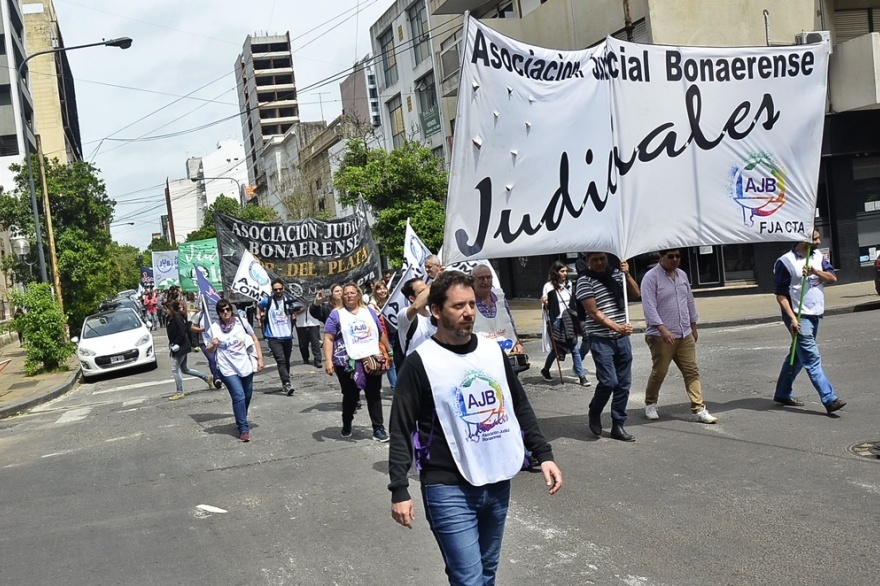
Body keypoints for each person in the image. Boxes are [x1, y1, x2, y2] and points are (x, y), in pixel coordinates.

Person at [388, 270, 563, 585]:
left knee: (487, 572)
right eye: (458, 306)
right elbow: (400, 428)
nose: (468, 312)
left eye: (471, 304)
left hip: (496, 480)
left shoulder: (491, 351)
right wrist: (399, 488)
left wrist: (544, 453)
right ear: (437, 311)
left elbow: (519, 405)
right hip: (447, 487)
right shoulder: (420, 363)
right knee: (469, 578)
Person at [773, 230, 846, 415]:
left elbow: (832, 278)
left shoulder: (817, 256)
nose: (819, 241)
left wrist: (815, 271)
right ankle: (830, 399)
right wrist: (791, 319)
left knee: (797, 357)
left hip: (815, 314)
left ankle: (782, 393)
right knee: (812, 358)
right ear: (803, 240)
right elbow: (781, 295)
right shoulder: (785, 262)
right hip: (798, 315)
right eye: (815, 239)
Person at [641, 248, 717, 424]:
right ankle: (650, 403)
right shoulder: (651, 278)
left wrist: (693, 325)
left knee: (691, 371)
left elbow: (689, 301)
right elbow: (649, 306)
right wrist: (662, 329)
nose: (675, 260)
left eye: (677, 256)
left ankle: (699, 408)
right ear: (661, 257)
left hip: (685, 333)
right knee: (660, 371)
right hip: (661, 336)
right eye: (670, 257)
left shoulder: (682, 275)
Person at [577, 252, 641, 442]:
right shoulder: (584, 281)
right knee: (609, 382)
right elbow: (593, 312)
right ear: (587, 261)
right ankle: (594, 410)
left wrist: (627, 274)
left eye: (602, 258)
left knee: (623, 384)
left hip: (622, 339)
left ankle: (618, 424)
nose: (599, 262)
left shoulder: (616, 274)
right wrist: (618, 327)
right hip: (601, 338)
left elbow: (636, 293)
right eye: (594, 259)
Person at [323, 283, 393, 441]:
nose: (349, 296)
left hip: (371, 358)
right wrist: (328, 360)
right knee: (350, 396)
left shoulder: (369, 312)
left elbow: (380, 333)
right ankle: (347, 423)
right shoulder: (336, 315)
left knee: (374, 394)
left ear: (358, 295)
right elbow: (328, 338)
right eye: (346, 293)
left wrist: (389, 351)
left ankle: (378, 429)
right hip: (347, 362)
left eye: (352, 293)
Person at [207, 298, 264, 442]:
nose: (225, 312)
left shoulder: (242, 322)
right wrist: (213, 345)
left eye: (227, 309)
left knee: (247, 394)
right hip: (227, 368)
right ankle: (243, 428)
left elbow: (254, 339)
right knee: (238, 395)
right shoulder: (214, 327)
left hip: (245, 365)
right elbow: (209, 349)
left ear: (231, 310)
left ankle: (241, 416)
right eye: (222, 310)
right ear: (219, 313)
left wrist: (260, 358)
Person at [541, 261, 589, 386]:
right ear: (555, 272)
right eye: (562, 271)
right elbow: (545, 305)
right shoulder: (549, 286)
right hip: (556, 321)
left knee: (574, 347)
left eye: (566, 271)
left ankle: (581, 376)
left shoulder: (569, 285)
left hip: (569, 320)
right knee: (557, 349)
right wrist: (545, 302)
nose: (565, 273)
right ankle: (545, 369)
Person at [472, 263, 525, 354]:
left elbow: (510, 322)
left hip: (506, 352)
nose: (486, 281)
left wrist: (517, 343)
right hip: (481, 354)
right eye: (481, 278)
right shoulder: (469, 300)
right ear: (473, 280)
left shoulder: (499, 297)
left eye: (488, 277)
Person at [165, 300, 212, 401]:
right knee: (185, 369)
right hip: (180, 345)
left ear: (171, 309)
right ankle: (206, 378)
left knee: (175, 369)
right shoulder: (171, 318)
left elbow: (182, 332)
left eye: (167, 309)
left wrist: (176, 343)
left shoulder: (177, 318)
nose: (166, 311)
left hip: (181, 346)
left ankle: (179, 391)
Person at [258, 278, 296, 396]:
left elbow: (299, 307)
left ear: (283, 289)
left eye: (280, 289)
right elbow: (259, 306)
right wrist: (259, 317)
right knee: (281, 360)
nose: (278, 291)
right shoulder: (267, 301)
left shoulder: (288, 300)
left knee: (286, 360)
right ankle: (286, 382)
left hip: (287, 336)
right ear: (272, 290)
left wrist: (294, 314)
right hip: (273, 337)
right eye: (276, 289)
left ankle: (286, 380)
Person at [368, 279, 397, 392]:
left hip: (396, 334)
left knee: (398, 361)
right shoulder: (372, 305)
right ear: (375, 291)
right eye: (379, 289)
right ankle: (395, 389)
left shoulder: (392, 301)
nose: (382, 291)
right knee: (391, 362)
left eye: (384, 288)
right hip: (384, 337)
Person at [397, 278, 436, 360]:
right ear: (412, 298)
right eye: (423, 292)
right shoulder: (403, 314)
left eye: (427, 289)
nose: (428, 294)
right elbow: (416, 307)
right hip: (417, 368)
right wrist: (435, 282)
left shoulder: (433, 312)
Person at [293, 297, 323, 369]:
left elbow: (320, 310)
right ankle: (305, 358)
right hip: (301, 325)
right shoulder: (295, 302)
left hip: (314, 324)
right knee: (303, 344)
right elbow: (294, 313)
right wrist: (303, 309)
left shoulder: (315, 301)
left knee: (315, 343)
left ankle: (317, 361)